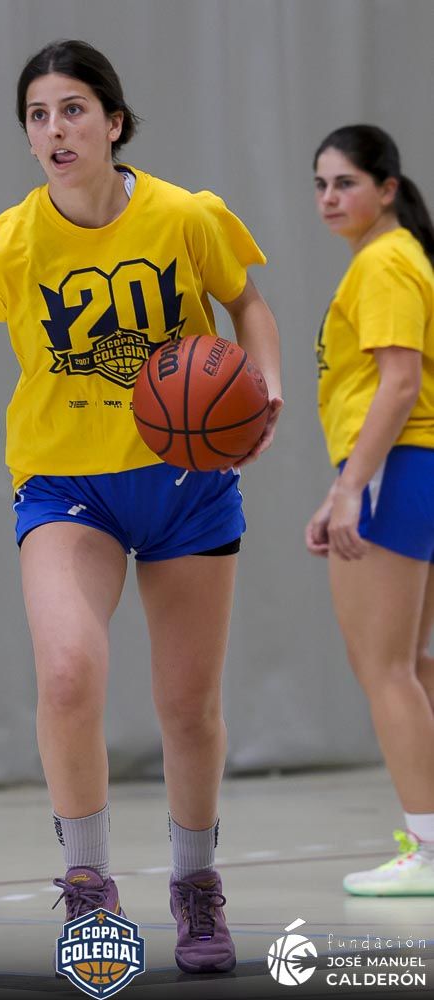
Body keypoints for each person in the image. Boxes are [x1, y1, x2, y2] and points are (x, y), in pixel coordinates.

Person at [0, 39, 282, 972]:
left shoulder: (185, 216)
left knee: (187, 708)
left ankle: (195, 886)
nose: (54, 129)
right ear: (27, 136)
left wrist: (265, 387)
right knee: (66, 676)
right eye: (37, 115)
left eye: (71, 109)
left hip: (185, 485)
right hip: (66, 488)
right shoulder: (13, 240)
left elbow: (248, 303)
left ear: (113, 122)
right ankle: (90, 887)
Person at [307, 124, 434, 896]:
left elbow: (399, 382)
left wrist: (349, 487)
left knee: (382, 667)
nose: (328, 198)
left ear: (385, 188)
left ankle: (426, 850)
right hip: (410, 468)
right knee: (409, 665)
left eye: (344, 182)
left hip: (398, 466)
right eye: (319, 184)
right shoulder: (397, 256)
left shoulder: (384, 261)